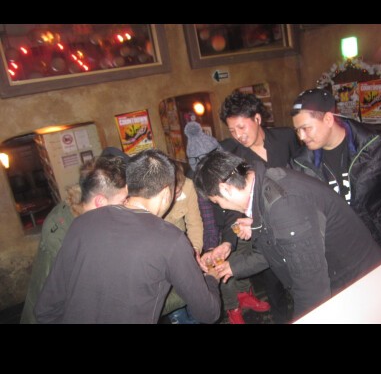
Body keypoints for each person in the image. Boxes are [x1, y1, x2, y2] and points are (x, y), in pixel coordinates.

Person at [34, 149, 221, 324]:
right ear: (166, 193)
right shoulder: (171, 240)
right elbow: (208, 313)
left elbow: (45, 310)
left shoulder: (82, 223)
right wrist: (211, 279)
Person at [193, 149, 381, 319]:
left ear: (225, 189)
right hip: (346, 282)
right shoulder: (265, 185)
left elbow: (311, 288)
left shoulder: (284, 206)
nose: (222, 207)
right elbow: (277, 248)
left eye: (217, 202)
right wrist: (233, 266)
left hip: (358, 287)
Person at [217, 91, 301, 323]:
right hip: (265, 233)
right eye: (232, 130)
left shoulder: (285, 137)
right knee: (274, 288)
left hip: (297, 224)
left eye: (241, 127)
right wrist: (228, 240)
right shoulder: (236, 157)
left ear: (257, 118)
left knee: (304, 285)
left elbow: (303, 173)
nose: (238, 135)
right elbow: (235, 203)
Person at [20, 152, 129, 324]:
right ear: (100, 201)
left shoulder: (77, 210)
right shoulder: (70, 233)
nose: (127, 204)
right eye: (124, 200)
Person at [290, 88, 381, 254]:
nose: (301, 137)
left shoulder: (377, 143)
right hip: (339, 252)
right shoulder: (300, 164)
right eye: (297, 130)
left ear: (328, 119)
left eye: (306, 128)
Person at [184, 120, 271, 324]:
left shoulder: (232, 167)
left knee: (244, 253)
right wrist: (213, 246)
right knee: (221, 266)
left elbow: (235, 207)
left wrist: (229, 240)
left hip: (236, 220)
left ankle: (245, 294)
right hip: (213, 231)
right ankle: (232, 307)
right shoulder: (197, 181)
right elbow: (207, 220)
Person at [163, 161, 203, 324]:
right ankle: (178, 317)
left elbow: (194, 222)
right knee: (171, 288)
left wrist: (195, 250)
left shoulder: (188, 185)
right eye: (173, 193)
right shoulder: (147, 197)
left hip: (181, 240)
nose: (177, 196)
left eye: (179, 191)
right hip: (160, 249)